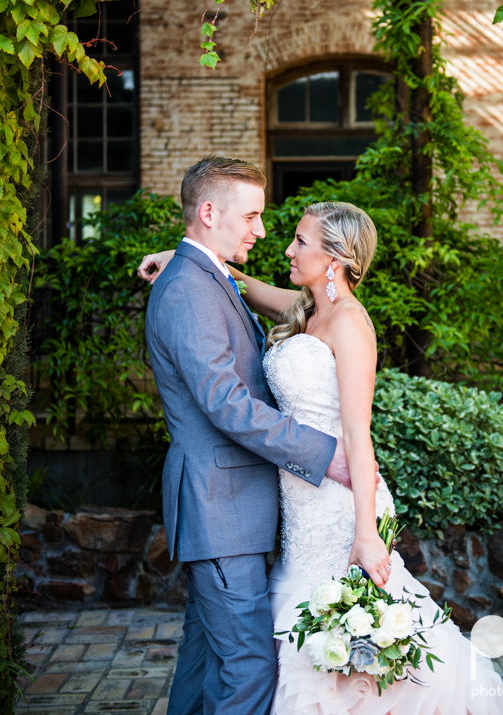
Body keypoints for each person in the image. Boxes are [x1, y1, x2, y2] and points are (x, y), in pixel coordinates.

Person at [141, 189, 503, 715]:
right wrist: (182, 258)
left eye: (300, 240)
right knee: (287, 643)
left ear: (335, 260)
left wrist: (367, 534)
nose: (287, 248)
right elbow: (242, 287)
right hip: (300, 504)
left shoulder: (349, 324)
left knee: (348, 645)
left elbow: (358, 437)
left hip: (340, 503)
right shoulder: (307, 310)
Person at [143, 156, 387, 715]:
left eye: (297, 238)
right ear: (210, 212)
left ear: (333, 258)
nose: (265, 233)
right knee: (247, 668)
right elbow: (226, 404)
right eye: (252, 216)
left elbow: (246, 288)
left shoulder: (218, 284)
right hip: (223, 507)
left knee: (208, 662)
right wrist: (325, 457)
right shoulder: (188, 289)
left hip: (257, 507)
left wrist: (187, 259)